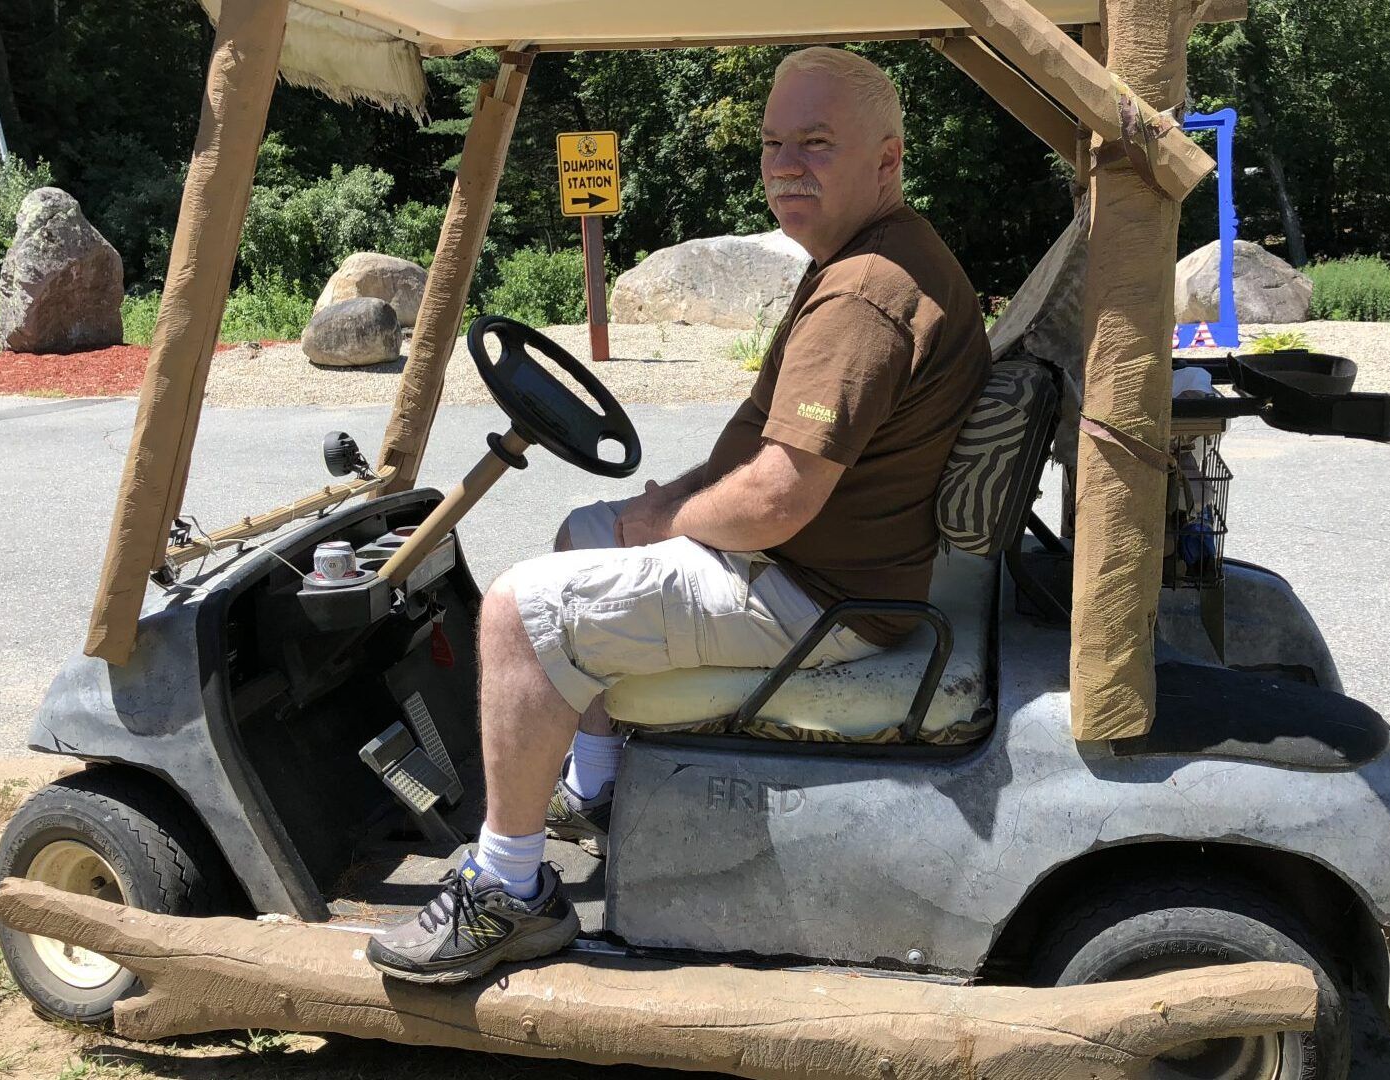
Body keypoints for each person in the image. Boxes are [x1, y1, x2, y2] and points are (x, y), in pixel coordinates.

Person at [368, 46, 991, 983]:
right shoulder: (872, 255)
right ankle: (600, 791)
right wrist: (659, 507)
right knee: (585, 529)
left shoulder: (865, 292)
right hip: (837, 570)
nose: (786, 165)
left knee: (516, 610)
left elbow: (780, 496)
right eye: (775, 142)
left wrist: (661, 522)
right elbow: (758, 458)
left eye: (816, 143)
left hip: (818, 598)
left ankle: (507, 890)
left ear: (887, 160)